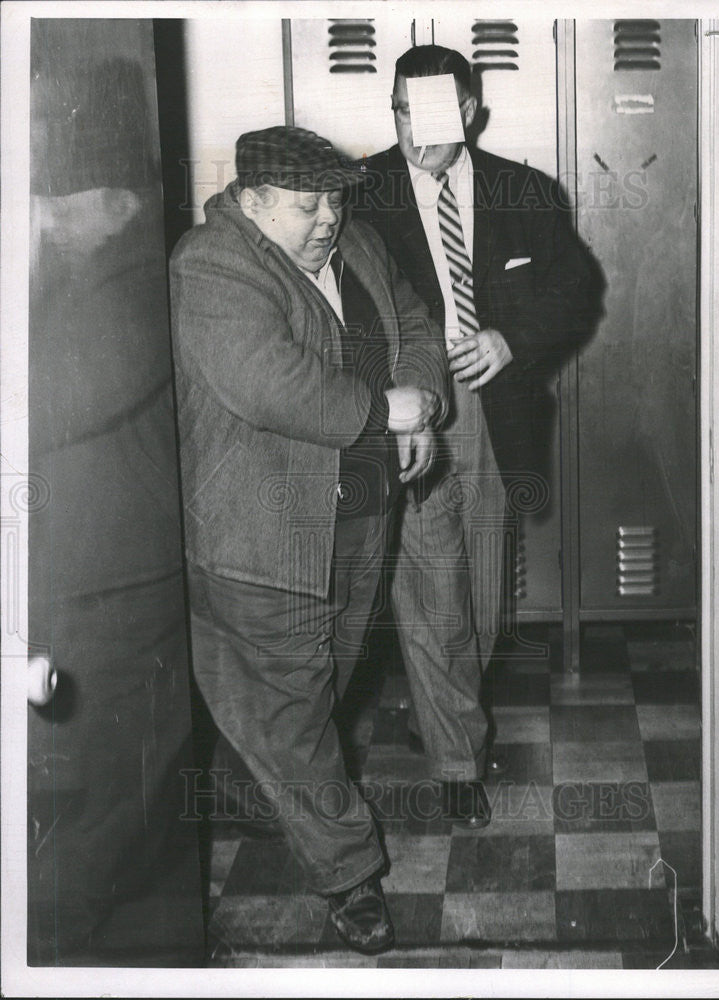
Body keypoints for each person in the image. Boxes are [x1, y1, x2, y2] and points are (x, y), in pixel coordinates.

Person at [169, 125, 448, 954]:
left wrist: (424, 402)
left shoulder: (356, 242)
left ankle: (268, 796)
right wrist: (382, 410)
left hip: (361, 517)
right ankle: (353, 879)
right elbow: (271, 383)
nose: (327, 218)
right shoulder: (213, 265)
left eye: (335, 198)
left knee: (313, 692)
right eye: (304, 205)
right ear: (251, 202)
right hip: (264, 539)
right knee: (293, 713)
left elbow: (418, 326)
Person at [353, 45, 596, 828]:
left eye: (429, 111)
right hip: (407, 406)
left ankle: (444, 706)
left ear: (468, 112)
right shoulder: (360, 195)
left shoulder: (523, 191)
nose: (413, 129)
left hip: (496, 406)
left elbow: (575, 288)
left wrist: (509, 339)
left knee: (484, 598)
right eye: (399, 110)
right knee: (432, 592)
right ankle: (456, 758)